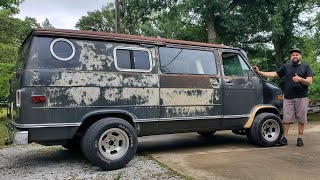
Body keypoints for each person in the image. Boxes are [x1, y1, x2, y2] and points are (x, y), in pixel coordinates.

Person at [253, 48, 313, 146]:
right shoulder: (286, 67)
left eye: (297, 54)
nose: (295, 56)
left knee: (301, 118)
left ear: (300, 56)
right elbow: (274, 74)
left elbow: (309, 81)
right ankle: (284, 138)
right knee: (286, 119)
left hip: (301, 97)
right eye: (293, 55)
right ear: (291, 57)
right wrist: (260, 72)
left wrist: (300, 79)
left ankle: (300, 138)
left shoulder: (306, 67)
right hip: (288, 97)